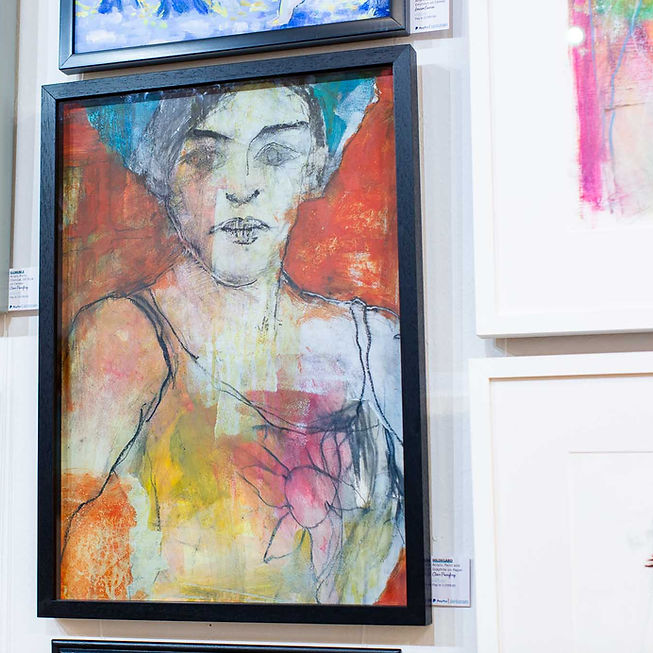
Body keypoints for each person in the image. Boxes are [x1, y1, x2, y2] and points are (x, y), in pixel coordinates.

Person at [61, 80, 406, 605]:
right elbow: (67, 552)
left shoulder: (374, 344)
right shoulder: (125, 339)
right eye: (204, 157)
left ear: (314, 169)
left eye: (275, 154)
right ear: (164, 175)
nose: (242, 186)